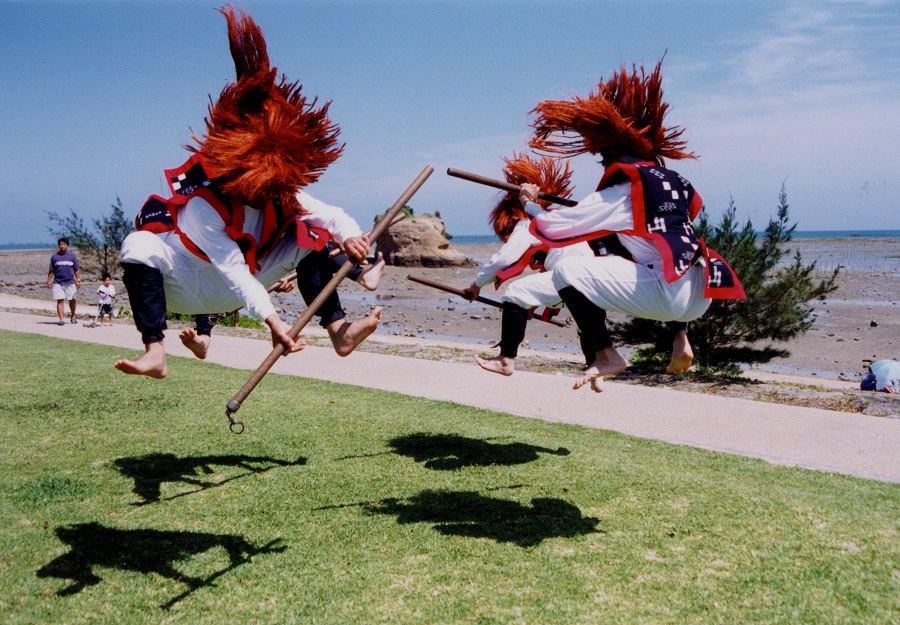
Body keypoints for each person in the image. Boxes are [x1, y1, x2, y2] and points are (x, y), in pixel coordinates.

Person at [115, 6, 381, 378]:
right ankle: (155, 351)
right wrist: (273, 322)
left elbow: (331, 214)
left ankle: (340, 331)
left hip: (248, 282)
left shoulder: (279, 190)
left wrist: (350, 236)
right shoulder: (204, 207)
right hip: (189, 284)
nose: (266, 198)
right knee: (137, 244)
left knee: (314, 236)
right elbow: (234, 272)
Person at [521, 59, 746, 392]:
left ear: (611, 155)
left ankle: (605, 353)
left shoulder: (621, 191)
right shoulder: (672, 183)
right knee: (646, 256)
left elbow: (557, 230)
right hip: (701, 295)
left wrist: (530, 203)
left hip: (670, 298)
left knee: (568, 272)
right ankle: (680, 338)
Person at [461, 153, 592, 376]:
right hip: (597, 277)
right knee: (587, 318)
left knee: (515, 292)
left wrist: (476, 285)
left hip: (572, 278)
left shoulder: (529, 222)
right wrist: (531, 306)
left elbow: (503, 259)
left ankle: (505, 359)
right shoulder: (566, 215)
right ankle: (597, 364)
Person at [47, 237, 81, 325]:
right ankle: (61, 319)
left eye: (64, 244)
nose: (62, 246)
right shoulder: (54, 257)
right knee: (60, 300)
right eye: (61, 244)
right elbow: (51, 270)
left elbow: (76, 269)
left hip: (70, 282)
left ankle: (73, 316)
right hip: (58, 282)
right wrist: (49, 281)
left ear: (67, 245)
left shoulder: (72, 256)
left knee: (72, 300)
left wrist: (78, 280)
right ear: (58, 245)